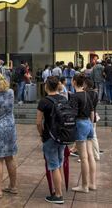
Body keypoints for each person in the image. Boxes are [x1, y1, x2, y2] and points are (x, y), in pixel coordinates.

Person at [36, 76, 66, 204]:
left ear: (47, 86)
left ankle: (58, 195)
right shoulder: (64, 99)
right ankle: (59, 190)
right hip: (62, 136)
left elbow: (38, 122)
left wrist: (42, 134)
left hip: (50, 136)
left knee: (53, 165)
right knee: (59, 163)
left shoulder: (44, 101)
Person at [70, 74, 96, 193]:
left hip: (80, 124)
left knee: (83, 157)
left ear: (74, 82)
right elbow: (92, 111)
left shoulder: (75, 96)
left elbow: (73, 114)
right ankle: (92, 183)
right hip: (88, 123)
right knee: (90, 156)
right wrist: (91, 125)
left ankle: (84, 185)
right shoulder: (87, 93)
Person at [84, 78, 101, 161]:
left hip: (87, 117)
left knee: (86, 138)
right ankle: (96, 155)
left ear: (86, 85)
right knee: (93, 137)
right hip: (93, 115)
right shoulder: (95, 93)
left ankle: (86, 156)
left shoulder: (86, 94)